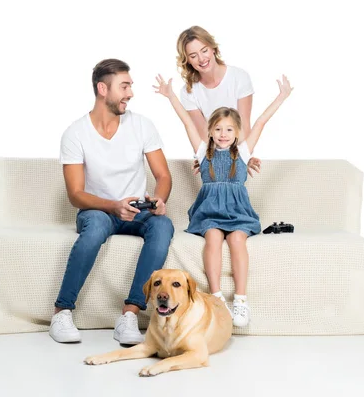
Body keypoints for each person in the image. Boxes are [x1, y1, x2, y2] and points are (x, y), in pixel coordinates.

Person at [49, 59, 174, 345]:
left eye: (130, 86)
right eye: (125, 86)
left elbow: (163, 174)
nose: (130, 93)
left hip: (137, 212)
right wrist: (113, 205)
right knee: (93, 231)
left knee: (163, 226)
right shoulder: (75, 133)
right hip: (97, 211)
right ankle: (62, 311)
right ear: (103, 88)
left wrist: (159, 199)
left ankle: (130, 313)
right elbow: (75, 194)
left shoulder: (142, 125)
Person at [153, 73, 292, 327]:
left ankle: (240, 299)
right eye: (218, 129)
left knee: (237, 239)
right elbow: (186, 122)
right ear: (210, 131)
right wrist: (171, 95)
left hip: (238, 212)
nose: (223, 134)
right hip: (210, 212)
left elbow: (261, 121)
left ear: (237, 132)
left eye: (229, 129)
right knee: (214, 237)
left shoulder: (244, 151)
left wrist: (281, 97)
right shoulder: (201, 151)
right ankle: (216, 296)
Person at [176, 25, 262, 177]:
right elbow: (203, 133)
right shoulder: (188, 91)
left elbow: (244, 127)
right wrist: (208, 159)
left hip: (239, 153)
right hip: (212, 157)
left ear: (213, 48)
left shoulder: (239, 77)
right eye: (193, 55)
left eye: (204, 50)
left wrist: (238, 158)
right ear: (187, 60)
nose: (202, 59)